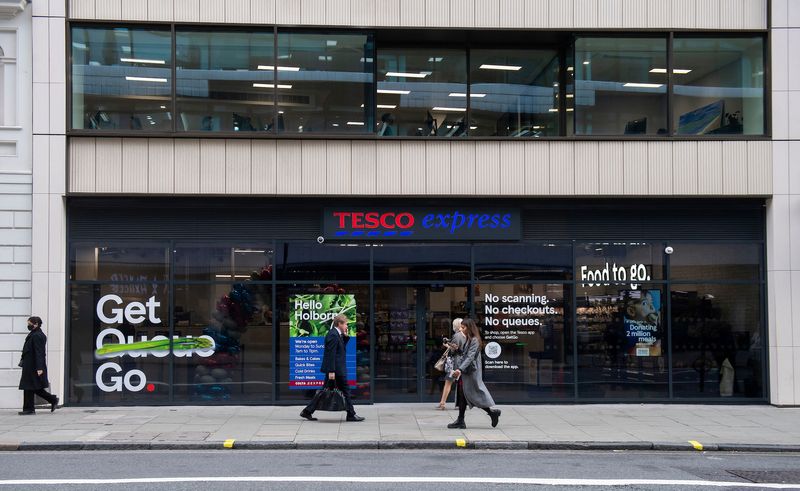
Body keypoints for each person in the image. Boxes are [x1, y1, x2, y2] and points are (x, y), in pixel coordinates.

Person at [300, 314, 364, 422]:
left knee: (323, 391)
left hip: (336, 369)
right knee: (346, 390)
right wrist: (331, 371)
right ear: (339, 324)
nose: (347, 326)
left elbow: (339, 349)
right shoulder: (333, 335)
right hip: (336, 370)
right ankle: (351, 414)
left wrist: (345, 336)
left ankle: (307, 411)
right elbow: (331, 354)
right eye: (345, 324)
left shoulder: (337, 334)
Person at [447, 318, 500, 429]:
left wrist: (459, 369)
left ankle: (491, 413)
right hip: (466, 372)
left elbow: (470, 357)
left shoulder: (475, 340)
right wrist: (456, 349)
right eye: (461, 327)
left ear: (469, 328)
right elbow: (466, 354)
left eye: (463, 327)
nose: (461, 329)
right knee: (463, 395)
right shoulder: (469, 339)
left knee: (472, 395)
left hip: (470, 373)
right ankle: (461, 420)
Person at [18, 316, 59, 415]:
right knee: (33, 387)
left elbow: (39, 352)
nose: (28, 325)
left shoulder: (37, 336)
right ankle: (52, 400)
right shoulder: (34, 334)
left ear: (35, 324)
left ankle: (29, 409)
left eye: (29, 324)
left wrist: (39, 368)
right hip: (30, 365)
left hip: (33, 366)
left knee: (30, 386)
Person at [436, 317, 465, 410]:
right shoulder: (465, 335)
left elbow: (454, 350)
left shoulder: (457, 335)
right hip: (462, 362)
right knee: (460, 383)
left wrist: (446, 345)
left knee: (448, 382)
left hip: (455, 363)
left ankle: (443, 403)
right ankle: (456, 403)